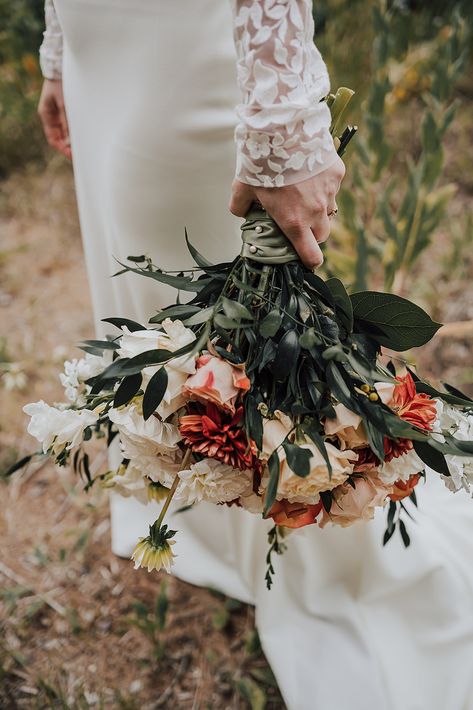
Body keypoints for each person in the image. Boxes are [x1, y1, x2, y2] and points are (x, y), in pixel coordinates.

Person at [37, 2, 473, 709]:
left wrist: (282, 127)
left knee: (249, 335)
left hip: (191, 55)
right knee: (151, 307)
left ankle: (307, 517)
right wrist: (61, 49)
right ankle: (194, 513)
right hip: (100, 48)